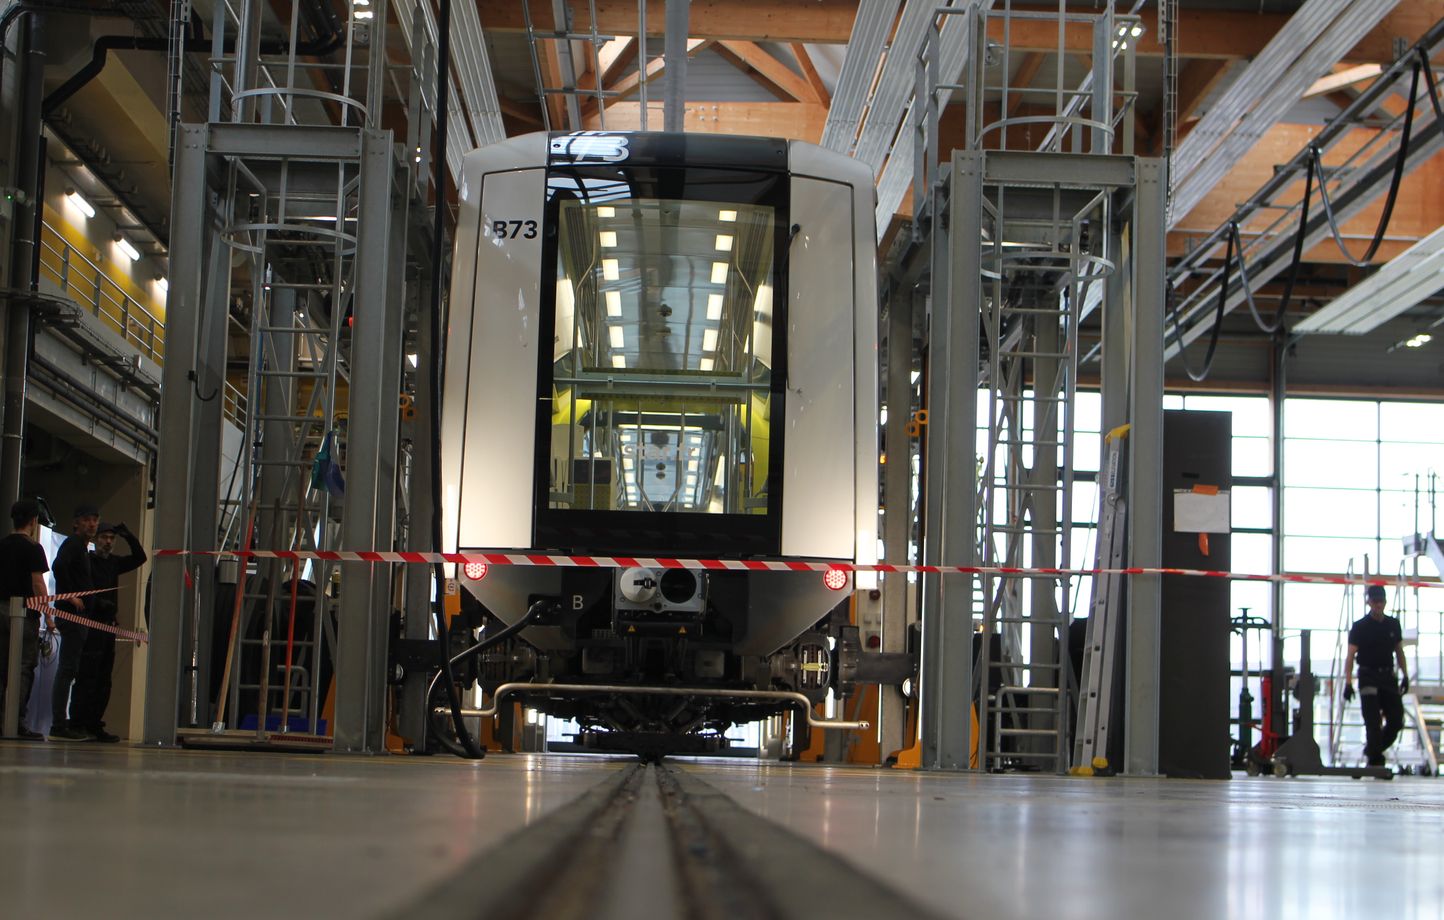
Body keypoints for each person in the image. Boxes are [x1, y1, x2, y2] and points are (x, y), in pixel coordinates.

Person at [71, 521, 146, 743]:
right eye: (104, 537)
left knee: (104, 679)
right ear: (96, 540)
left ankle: (95, 723)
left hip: (108, 626)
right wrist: (96, 603)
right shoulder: (88, 561)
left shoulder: (114, 563)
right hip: (91, 624)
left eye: (112, 539)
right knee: (87, 676)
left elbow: (140, 558)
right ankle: (78, 722)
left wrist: (128, 536)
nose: (108, 542)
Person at [1343, 584, 1410, 767]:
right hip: (1368, 676)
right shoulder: (1360, 627)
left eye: (1381, 601)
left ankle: (1373, 750)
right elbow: (1350, 656)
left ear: (1385, 602)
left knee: (1396, 719)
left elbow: (1399, 651)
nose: (1378, 605)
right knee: (1372, 722)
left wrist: (1405, 675)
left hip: (1388, 677)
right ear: (1369, 602)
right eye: (1375, 601)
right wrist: (1348, 683)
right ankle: (1375, 760)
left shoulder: (1393, 624)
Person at [49, 504, 99, 741]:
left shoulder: (83, 548)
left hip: (81, 617)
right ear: (77, 522)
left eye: (95, 520)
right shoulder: (72, 544)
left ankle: (64, 721)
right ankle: (58, 725)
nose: (92, 524)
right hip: (72, 617)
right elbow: (58, 566)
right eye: (87, 519)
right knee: (67, 670)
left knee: (71, 670)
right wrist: (70, 595)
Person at [0, 500, 50, 740]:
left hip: (0, 610)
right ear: (33, 521)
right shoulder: (33, 548)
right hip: (23, 615)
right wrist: (50, 617)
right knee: (22, 668)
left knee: (1, 667)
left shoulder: (2, 545)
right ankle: (15, 722)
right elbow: (38, 584)